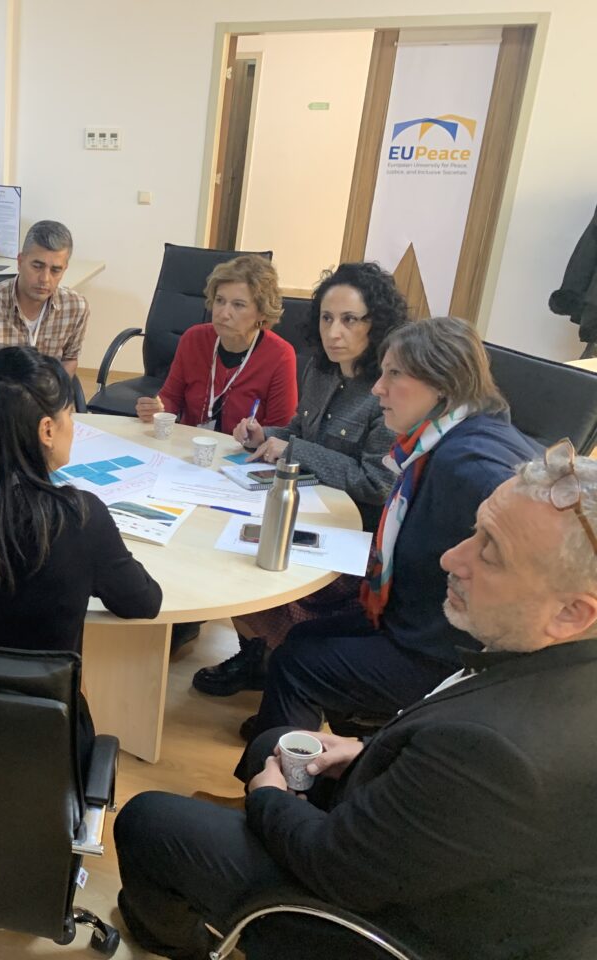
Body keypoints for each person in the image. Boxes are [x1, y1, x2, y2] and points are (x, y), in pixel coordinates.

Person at [113, 444, 597, 960]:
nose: (451, 558)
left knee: (149, 820)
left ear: (570, 614)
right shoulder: (552, 667)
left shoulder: (498, 753)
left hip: (381, 925)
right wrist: (365, 749)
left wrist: (267, 799)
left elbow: (335, 869)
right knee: (277, 744)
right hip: (420, 856)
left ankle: (175, 937)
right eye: (474, 531)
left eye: (490, 551)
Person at [232, 315, 538, 759]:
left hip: (444, 653)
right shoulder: (461, 436)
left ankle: (275, 795)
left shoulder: (470, 467)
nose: (378, 388)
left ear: (442, 385)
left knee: (296, 665)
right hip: (412, 618)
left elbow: (533, 555)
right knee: (299, 642)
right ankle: (302, 775)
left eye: (394, 374)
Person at [0, 346, 162, 762]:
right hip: (44, 735)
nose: (73, 428)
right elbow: (144, 601)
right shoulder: (80, 515)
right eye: (70, 417)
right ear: (47, 430)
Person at [193, 262, 407, 697]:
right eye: (327, 318)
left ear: (376, 323)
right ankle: (256, 653)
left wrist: (294, 449)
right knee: (221, 536)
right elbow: (298, 431)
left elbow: (377, 482)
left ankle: (281, 674)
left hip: (355, 536)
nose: (334, 332)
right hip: (307, 507)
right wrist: (266, 435)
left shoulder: (387, 392)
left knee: (256, 560)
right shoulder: (320, 370)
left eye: (349, 320)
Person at [135, 254, 297, 437]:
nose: (223, 313)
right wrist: (157, 408)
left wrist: (257, 436)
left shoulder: (280, 355)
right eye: (220, 301)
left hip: (242, 456)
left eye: (238, 305)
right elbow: (171, 398)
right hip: (191, 448)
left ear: (261, 312)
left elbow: (281, 430)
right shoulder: (194, 339)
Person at [0, 220, 90, 384]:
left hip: (42, 404)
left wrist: (55, 398)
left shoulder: (76, 307)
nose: (45, 279)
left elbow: (69, 359)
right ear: (20, 262)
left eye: (55, 270)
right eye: (37, 266)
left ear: (64, 269)